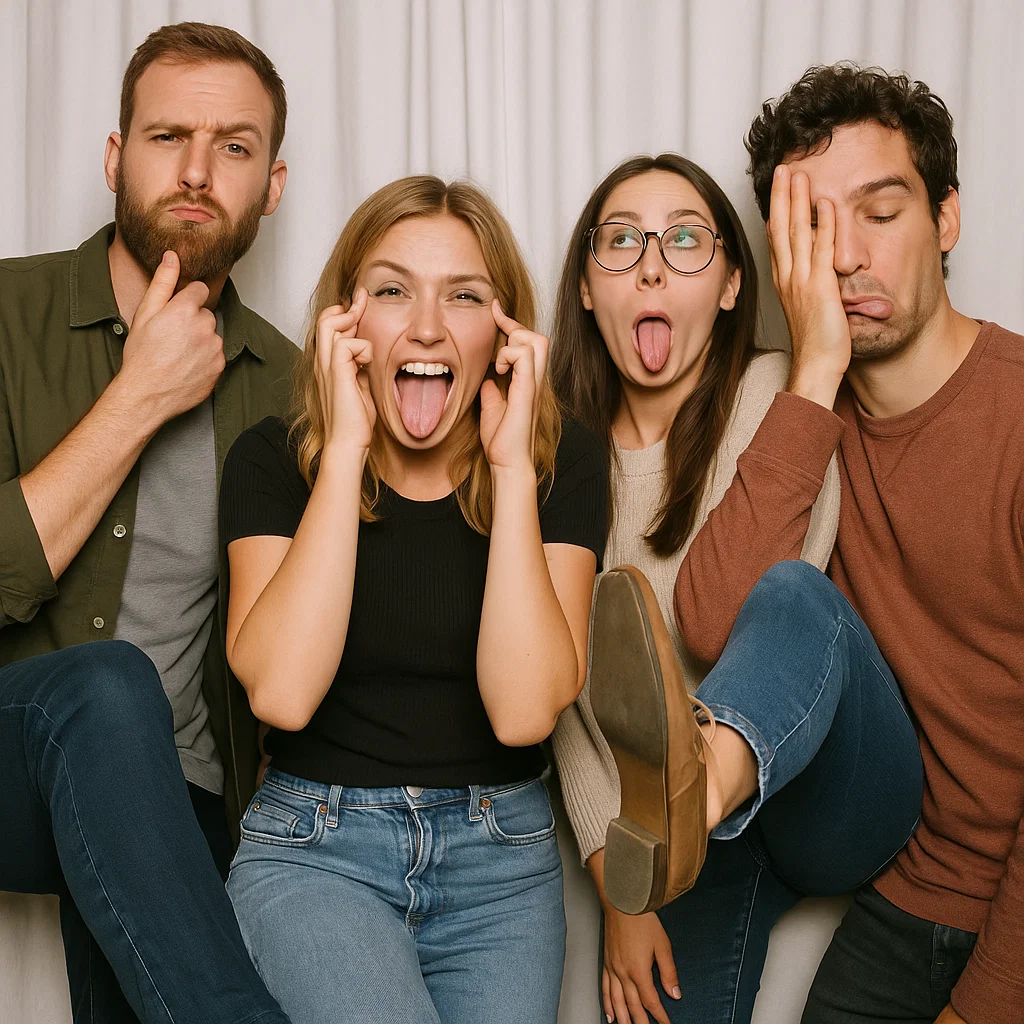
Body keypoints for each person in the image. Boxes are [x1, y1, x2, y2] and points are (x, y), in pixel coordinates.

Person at [219, 175, 608, 1024]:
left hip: (502, 864)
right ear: (345, 323)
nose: (427, 326)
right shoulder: (270, 461)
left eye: (463, 296)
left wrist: (510, 472)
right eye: (392, 290)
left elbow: (525, 712)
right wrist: (346, 449)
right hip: (313, 852)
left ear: (503, 330)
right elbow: (281, 693)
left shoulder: (560, 464)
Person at [0, 22, 296, 1024]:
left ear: (274, 184)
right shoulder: (6, 312)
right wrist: (138, 396)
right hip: (11, 748)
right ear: (117, 158)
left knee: (153, 845)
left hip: (180, 793)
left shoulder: (292, 388)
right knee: (109, 685)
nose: (200, 171)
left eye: (236, 146)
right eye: (170, 137)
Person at [739, 63, 1024, 1024]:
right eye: (813, 227)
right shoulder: (793, 407)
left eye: (880, 213)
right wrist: (816, 369)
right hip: (907, 887)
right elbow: (717, 624)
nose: (847, 257)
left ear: (946, 220)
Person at [549, 153, 845, 1024]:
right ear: (586, 291)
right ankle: (688, 807)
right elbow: (565, 704)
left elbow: (753, 614)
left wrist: (819, 364)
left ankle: (702, 786)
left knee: (792, 596)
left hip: (813, 787)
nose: (649, 263)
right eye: (620, 242)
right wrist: (620, 892)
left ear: (728, 286)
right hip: (685, 841)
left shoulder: (775, 393)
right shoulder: (558, 460)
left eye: (684, 240)